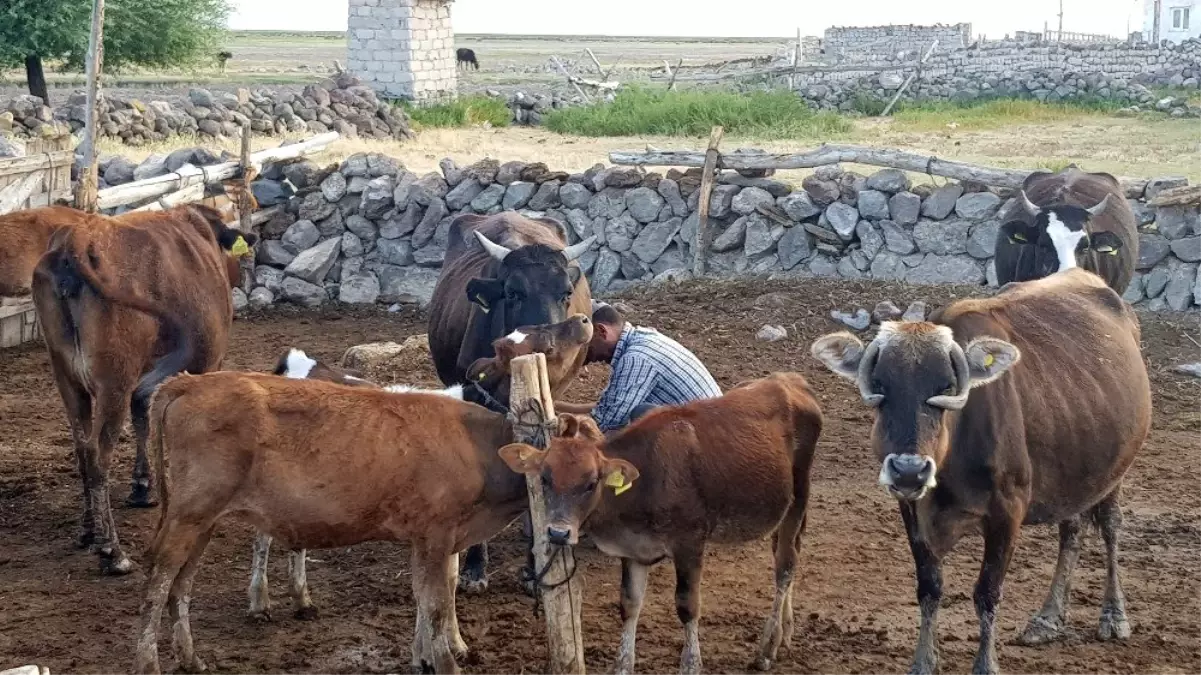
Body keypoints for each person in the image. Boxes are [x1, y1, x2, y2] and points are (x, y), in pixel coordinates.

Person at [558, 301, 722, 431]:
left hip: (707, 445)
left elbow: (604, 423)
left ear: (601, 331)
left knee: (628, 427)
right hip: (707, 430)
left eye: (584, 340)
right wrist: (555, 407)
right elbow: (607, 407)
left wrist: (556, 425)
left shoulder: (636, 358)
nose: (579, 349)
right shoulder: (642, 340)